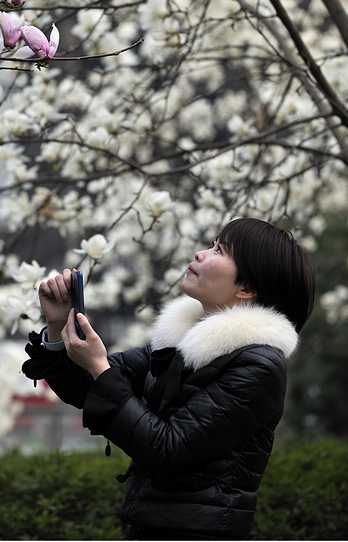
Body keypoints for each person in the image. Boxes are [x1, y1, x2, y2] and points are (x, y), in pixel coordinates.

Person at [22, 217, 316, 540]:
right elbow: (87, 388)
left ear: (246, 288)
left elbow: (167, 449)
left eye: (220, 250)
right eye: (211, 243)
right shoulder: (180, 343)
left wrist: (99, 367)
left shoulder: (259, 367)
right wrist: (56, 325)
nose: (201, 254)